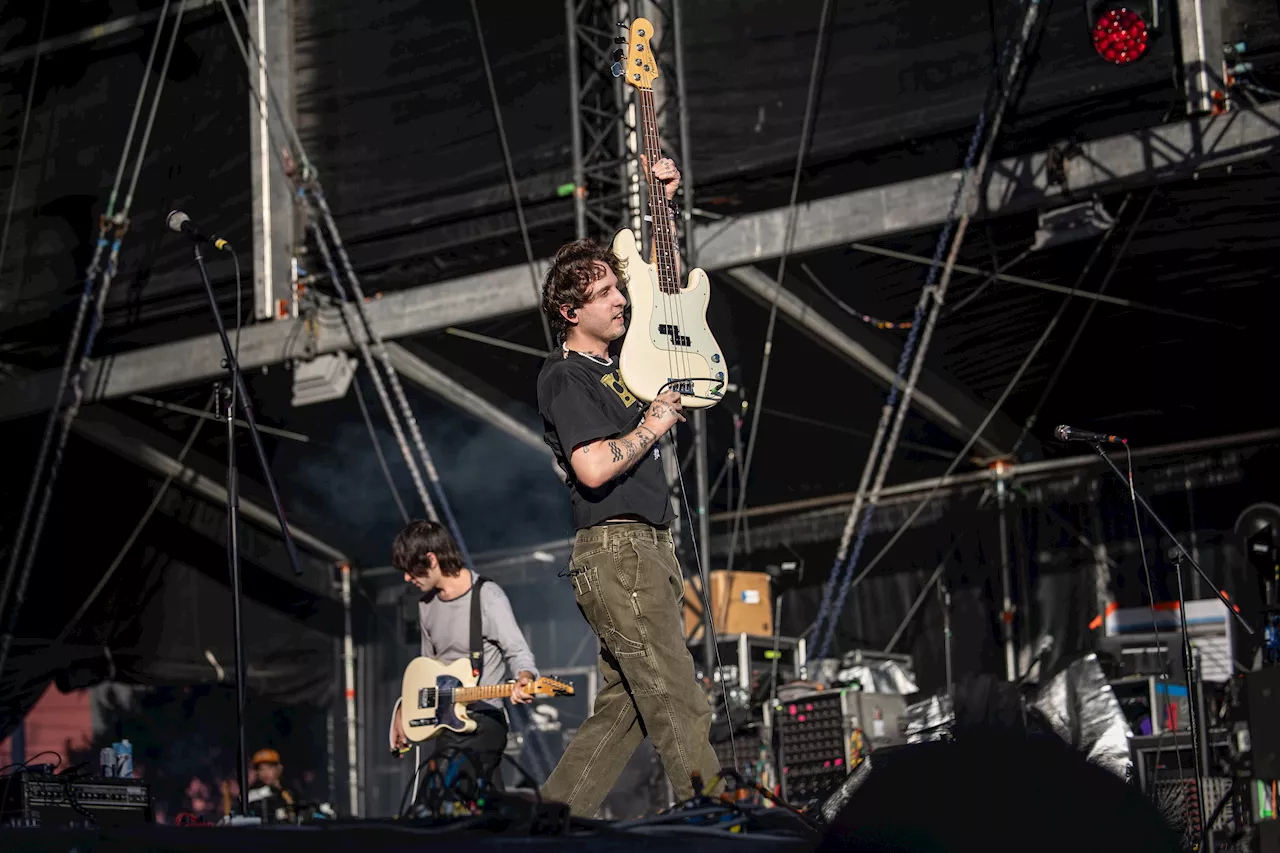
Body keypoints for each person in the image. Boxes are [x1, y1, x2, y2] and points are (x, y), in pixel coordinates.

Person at [536, 156, 722, 817]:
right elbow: (590, 467)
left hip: (643, 550)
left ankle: (547, 820)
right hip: (619, 550)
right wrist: (652, 422)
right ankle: (715, 815)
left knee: (623, 710)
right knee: (676, 691)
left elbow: (668, 289)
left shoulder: (623, 368)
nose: (621, 298)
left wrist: (666, 204)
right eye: (605, 292)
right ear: (569, 309)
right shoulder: (568, 378)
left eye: (619, 287)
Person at [390, 519, 538, 793]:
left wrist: (525, 678)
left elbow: (518, 652)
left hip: (483, 719)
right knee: (486, 812)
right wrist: (403, 709)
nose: (407, 578)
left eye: (411, 570)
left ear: (431, 559)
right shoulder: (425, 606)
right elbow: (425, 671)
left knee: (440, 798)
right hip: (447, 724)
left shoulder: (487, 597)